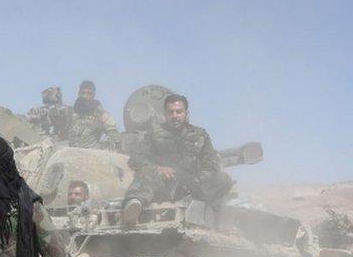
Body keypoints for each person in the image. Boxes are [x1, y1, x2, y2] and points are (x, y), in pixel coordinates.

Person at [121, 93, 233, 225]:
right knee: (147, 173)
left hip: (191, 185)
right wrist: (157, 168)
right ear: (165, 114)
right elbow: (136, 159)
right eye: (171, 112)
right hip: (164, 184)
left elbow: (210, 165)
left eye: (179, 112)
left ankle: (196, 206)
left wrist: (197, 180)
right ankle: (133, 206)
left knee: (223, 180)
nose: (175, 116)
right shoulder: (153, 134)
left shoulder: (200, 136)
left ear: (187, 113)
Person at [58, 80, 120, 149]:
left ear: (94, 95)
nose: (85, 96)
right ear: (78, 93)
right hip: (70, 154)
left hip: (91, 155)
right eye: (82, 93)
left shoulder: (100, 113)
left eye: (89, 93)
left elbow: (113, 133)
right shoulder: (70, 112)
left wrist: (101, 147)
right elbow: (60, 132)